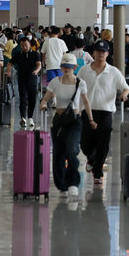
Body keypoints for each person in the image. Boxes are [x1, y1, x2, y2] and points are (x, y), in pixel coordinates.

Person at [40, 53, 97, 198]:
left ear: (75, 67)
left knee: (71, 149)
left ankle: (73, 182)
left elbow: (86, 102)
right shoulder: (55, 82)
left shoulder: (80, 83)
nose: (67, 69)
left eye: (70, 67)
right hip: (59, 121)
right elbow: (46, 97)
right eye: (64, 66)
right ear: (61, 67)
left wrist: (91, 119)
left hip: (74, 121)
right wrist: (43, 103)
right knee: (58, 153)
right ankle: (61, 185)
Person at [77, 40, 129, 184]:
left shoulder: (113, 71)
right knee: (85, 143)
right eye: (98, 51)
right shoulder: (84, 70)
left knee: (103, 143)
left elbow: (126, 87)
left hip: (106, 112)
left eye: (103, 52)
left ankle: (98, 173)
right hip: (87, 112)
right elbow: (76, 88)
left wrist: (124, 94)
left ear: (107, 54)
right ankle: (92, 158)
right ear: (93, 53)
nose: (100, 54)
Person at [6, 37, 41, 128]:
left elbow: (39, 64)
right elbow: (10, 63)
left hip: (32, 79)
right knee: (23, 98)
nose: (24, 47)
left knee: (32, 99)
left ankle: (30, 118)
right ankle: (22, 118)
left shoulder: (35, 54)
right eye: (22, 45)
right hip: (22, 79)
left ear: (29, 44)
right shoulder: (18, 54)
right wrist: (9, 71)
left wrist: (36, 71)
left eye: (25, 45)